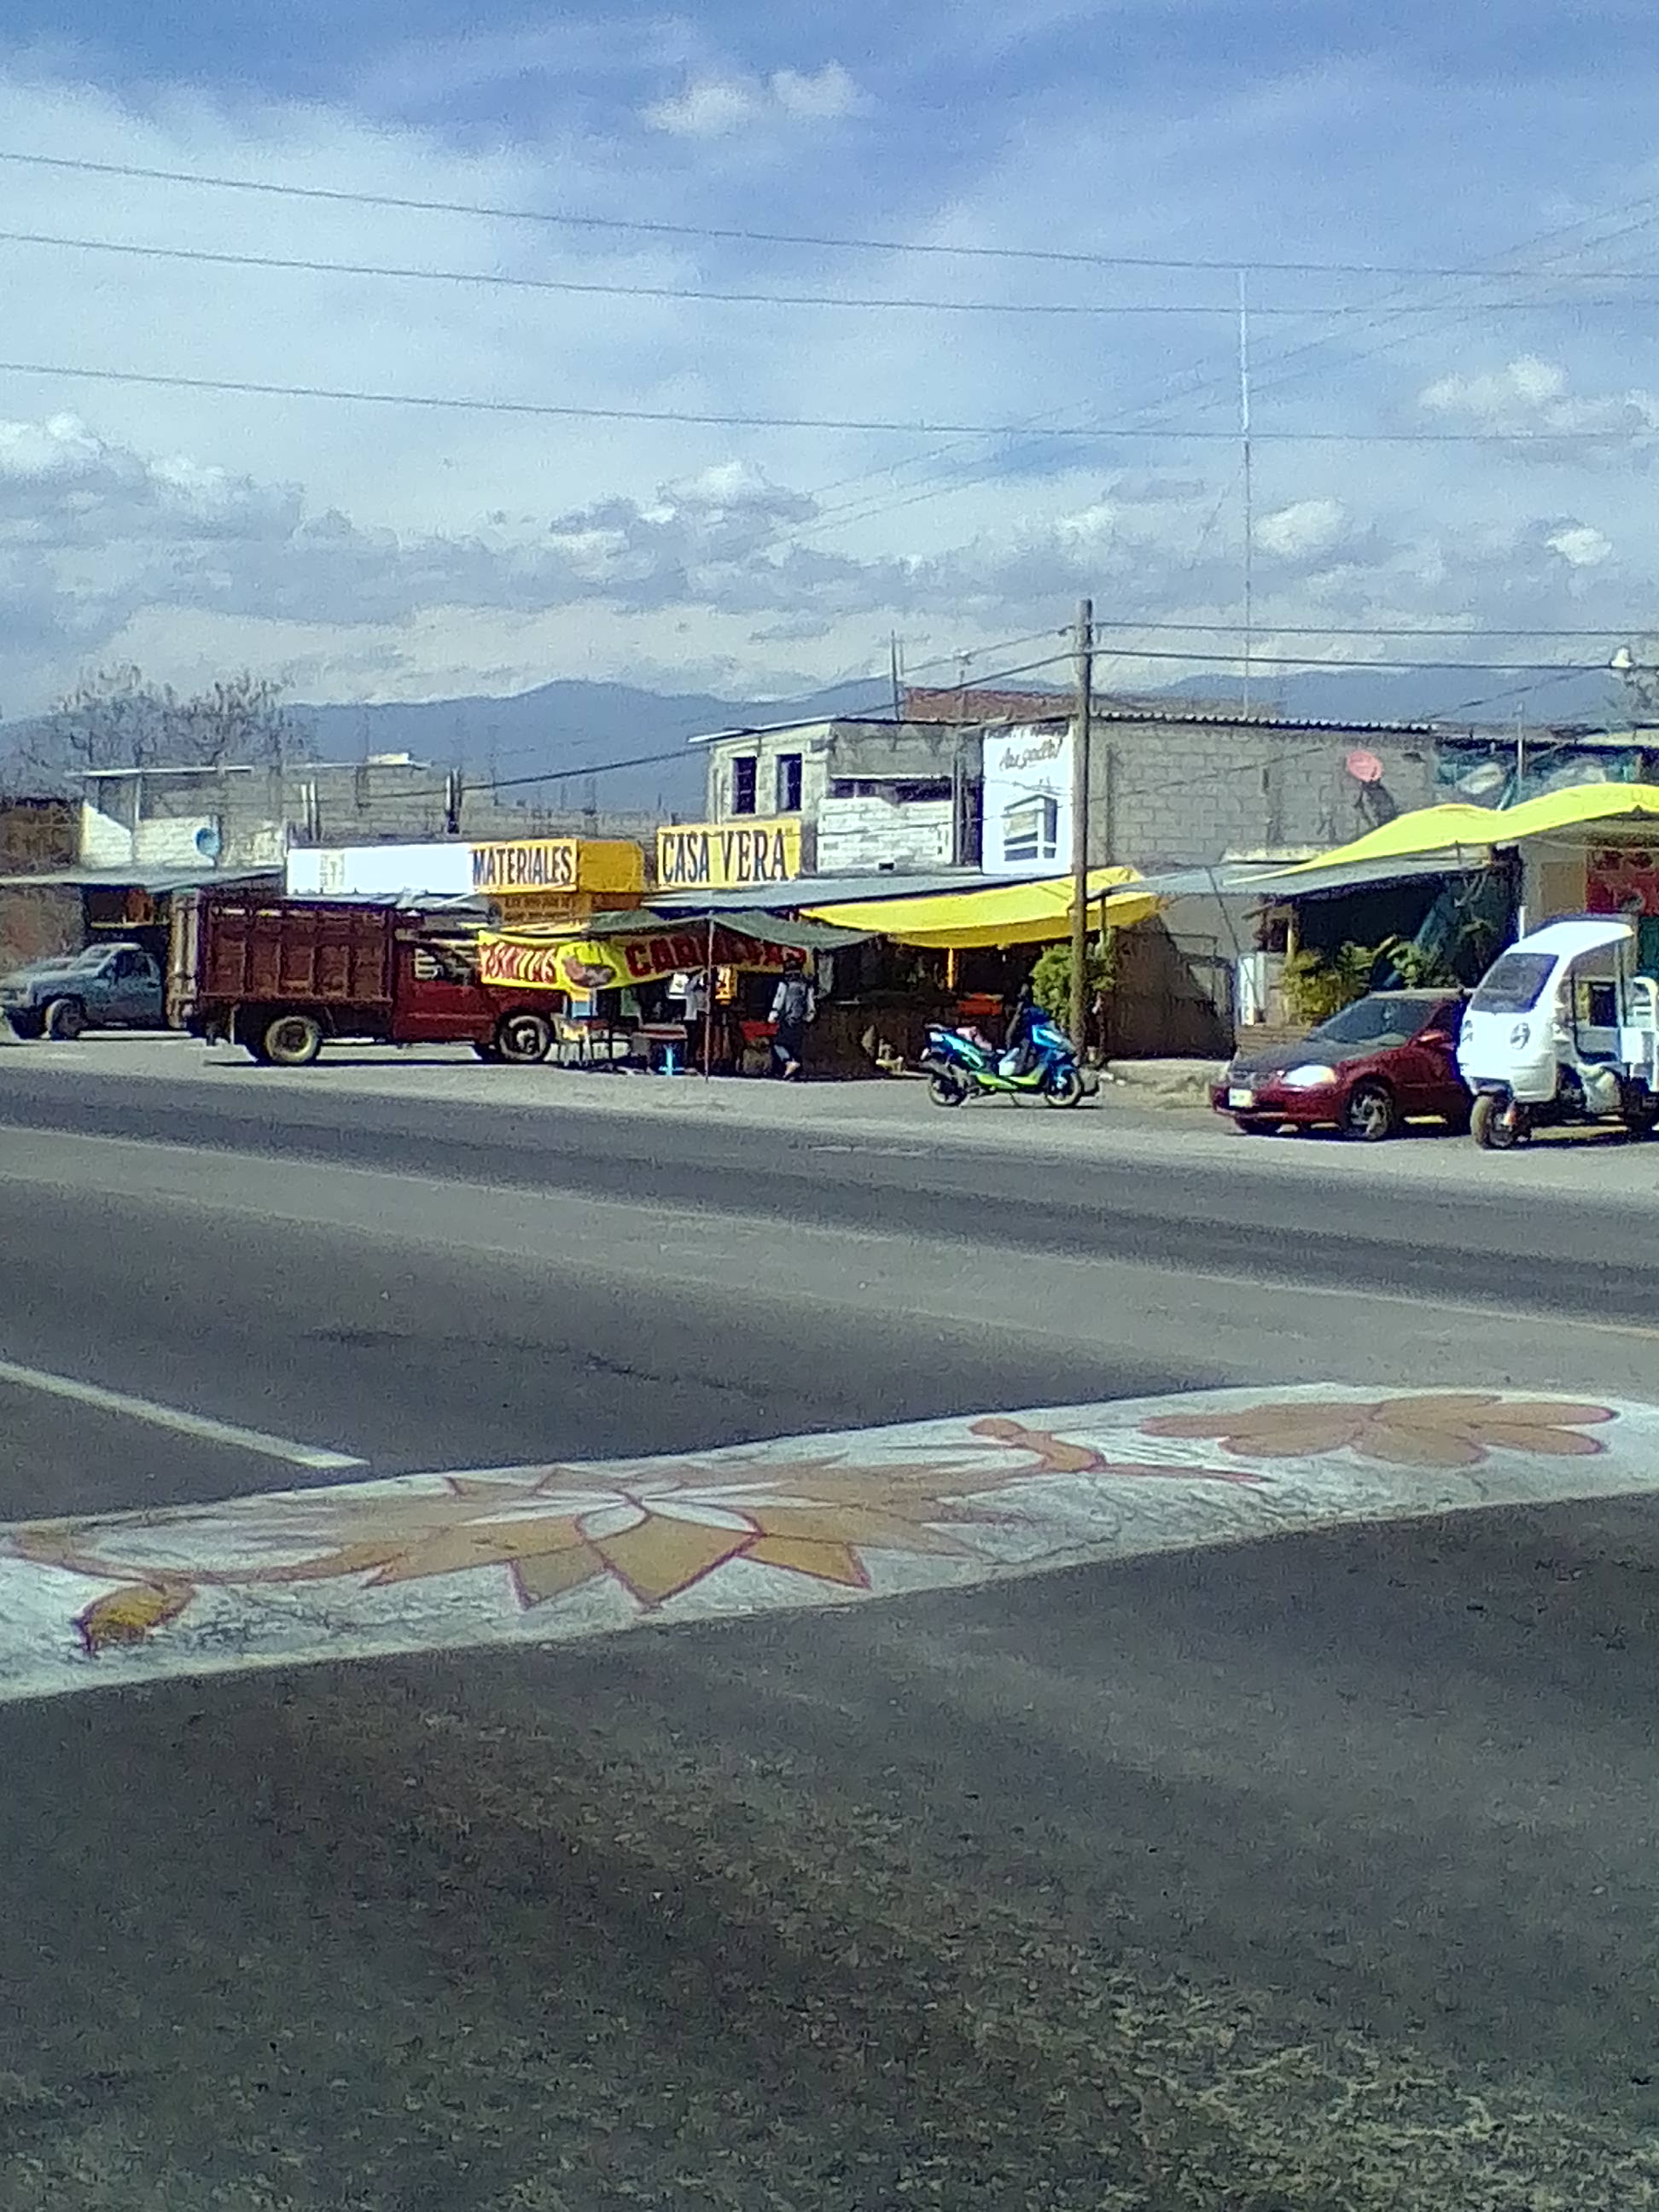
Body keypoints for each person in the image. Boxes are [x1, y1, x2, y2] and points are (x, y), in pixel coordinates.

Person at [770, 952, 816, 1079]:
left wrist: (774, 1013)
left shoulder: (785, 983)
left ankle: (789, 1062)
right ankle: (793, 1072)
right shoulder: (806, 984)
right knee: (794, 1046)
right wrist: (809, 1015)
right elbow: (810, 1001)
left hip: (786, 1018)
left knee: (778, 1044)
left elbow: (779, 999)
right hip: (800, 1019)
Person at [1000, 978, 1039, 1078]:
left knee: (1013, 1043)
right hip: (1018, 1024)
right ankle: (1018, 1069)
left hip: (1017, 1023)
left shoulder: (1018, 990)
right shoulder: (1023, 992)